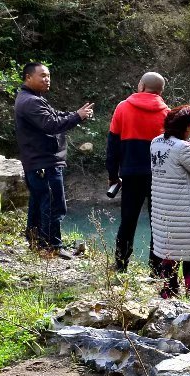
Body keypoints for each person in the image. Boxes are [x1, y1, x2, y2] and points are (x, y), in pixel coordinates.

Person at [13, 62, 94, 255]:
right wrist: (77, 116)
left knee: (39, 202)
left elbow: (56, 116)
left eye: (48, 75)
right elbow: (51, 124)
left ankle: (36, 242)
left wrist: (76, 115)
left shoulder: (33, 98)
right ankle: (51, 246)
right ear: (28, 77)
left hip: (38, 161)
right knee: (53, 204)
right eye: (42, 75)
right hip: (44, 162)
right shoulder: (31, 101)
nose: (47, 79)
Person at [106, 72, 170, 270]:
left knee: (128, 219)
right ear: (160, 91)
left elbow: (113, 145)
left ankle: (121, 264)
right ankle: (156, 268)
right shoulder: (168, 113)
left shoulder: (123, 107)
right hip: (160, 176)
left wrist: (113, 176)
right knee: (158, 222)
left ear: (141, 86)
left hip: (131, 174)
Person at [148, 104, 190, 299]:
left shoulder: (156, 142)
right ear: (187, 127)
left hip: (163, 209)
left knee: (169, 252)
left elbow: (174, 163)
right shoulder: (183, 148)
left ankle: (169, 293)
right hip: (185, 210)